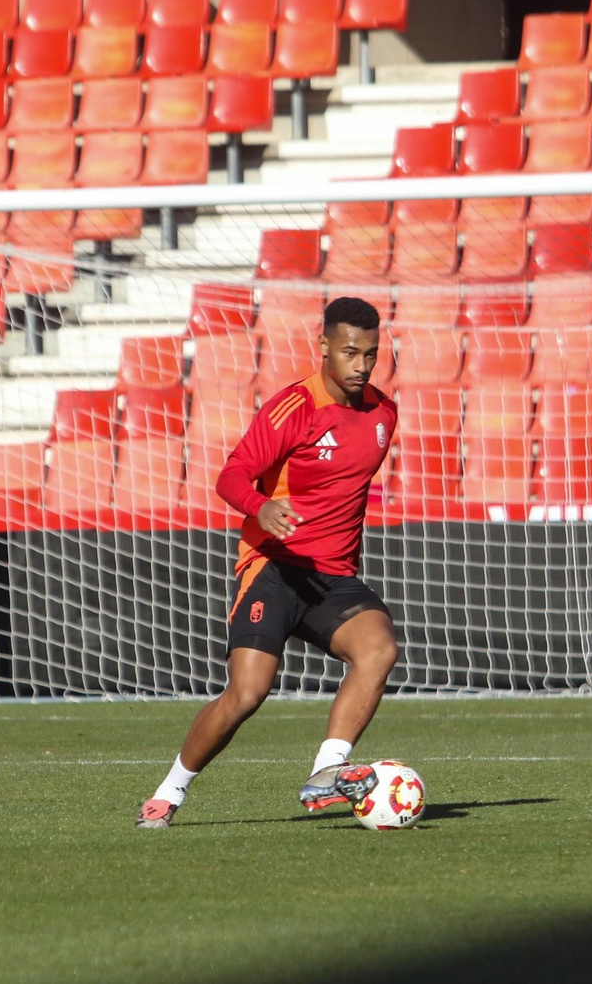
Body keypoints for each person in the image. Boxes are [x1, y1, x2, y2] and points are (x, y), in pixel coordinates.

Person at [137, 297, 400, 828]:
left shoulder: (382, 413)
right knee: (248, 693)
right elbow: (231, 477)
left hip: (332, 577)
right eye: (350, 352)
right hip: (274, 568)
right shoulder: (292, 408)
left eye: (371, 355)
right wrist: (263, 506)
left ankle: (328, 771)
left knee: (378, 650)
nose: (361, 365)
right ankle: (169, 791)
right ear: (323, 346)